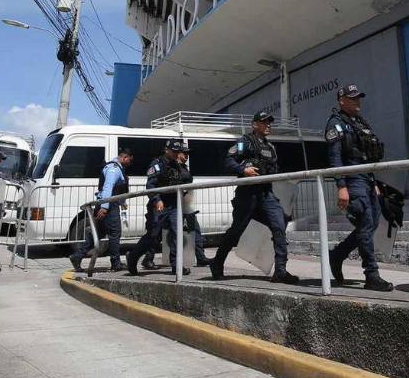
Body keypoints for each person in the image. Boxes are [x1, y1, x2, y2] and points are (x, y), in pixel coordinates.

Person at [209, 111, 297, 283]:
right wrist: (243, 170)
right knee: (236, 232)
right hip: (247, 195)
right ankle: (217, 262)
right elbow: (229, 161)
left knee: (279, 226)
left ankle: (280, 270)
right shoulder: (245, 142)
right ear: (255, 125)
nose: (268, 125)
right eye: (264, 122)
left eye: (269, 122)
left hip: (266, 194)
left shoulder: (271, 148)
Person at [325, 86, 393, 292]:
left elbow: (367, 155)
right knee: (365, 224)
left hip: (367, 179)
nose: (357, 101)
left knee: (370, 225)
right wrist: (341, 186)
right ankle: (371, 275)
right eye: (352, 98)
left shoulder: (360, 123)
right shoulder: (336, 124)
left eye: (358, 98)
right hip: (352, 180)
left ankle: (337, 255)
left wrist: (373, 182)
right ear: (341, 100)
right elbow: (335, 158)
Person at [127, 140, 193, 275]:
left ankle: (176, 265)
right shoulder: (157, 164)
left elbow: (187, 179)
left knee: (177, 233)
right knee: (153, 235)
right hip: (159, 205)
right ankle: (133, 256)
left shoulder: (177, 165)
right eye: (174, 151)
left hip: (173, 204)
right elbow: (150, 186)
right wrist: (157, 200)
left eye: (177, 152)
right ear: (167, 150)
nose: (176, 154)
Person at [71, 148, 132, 273]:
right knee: (115, 233)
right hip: (109, 206)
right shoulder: (114, 169)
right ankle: (115, 263)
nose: (130, 163)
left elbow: (117, 190)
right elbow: (108, 187)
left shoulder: (116, 168)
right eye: (130, 160)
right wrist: (105, 207)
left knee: (98, 233)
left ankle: (77, 256)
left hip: (107, 204)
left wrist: (122, 203)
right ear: (124, 157)